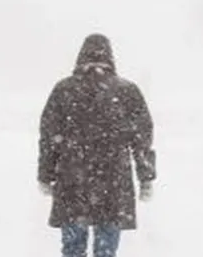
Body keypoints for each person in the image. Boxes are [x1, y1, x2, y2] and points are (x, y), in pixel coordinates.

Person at [38, 33, 156, 257]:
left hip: (72, 179)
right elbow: (142, 138)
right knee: (106, 248)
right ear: (110, 57)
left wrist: (45, 174)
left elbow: (49, 136)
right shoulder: (127, 91)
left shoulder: (64, 90)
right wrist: (146, 177)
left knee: (73, 248)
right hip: (113, 180)